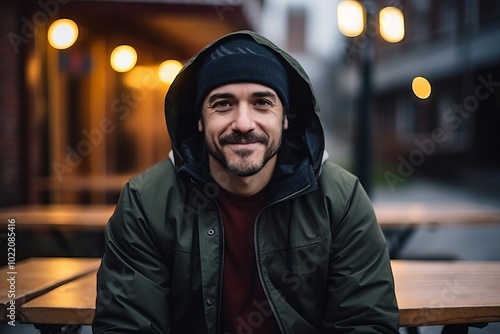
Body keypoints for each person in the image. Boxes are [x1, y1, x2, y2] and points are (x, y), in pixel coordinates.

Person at [93, 30, 399, 333]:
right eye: (223, 104)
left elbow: (365, 322)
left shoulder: (340, 199)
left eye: (262, 102)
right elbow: (125, 325)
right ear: (199, 119)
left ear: (285, 118)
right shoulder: (146, 202)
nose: (242, 123)